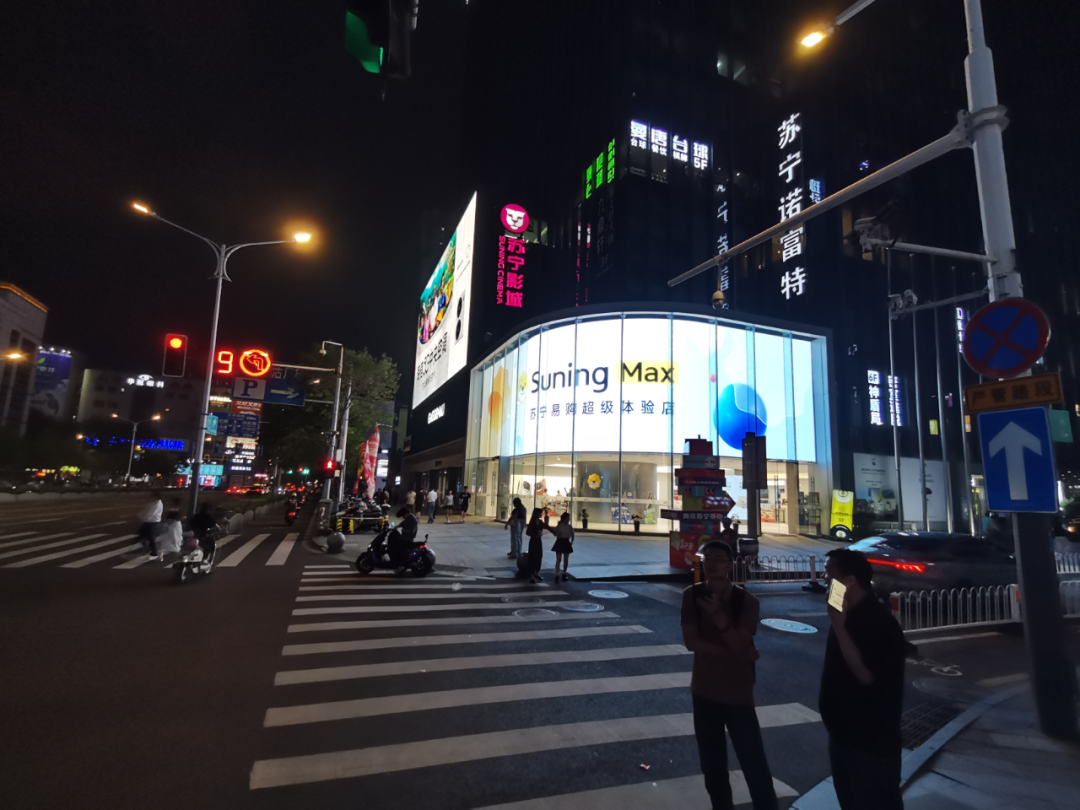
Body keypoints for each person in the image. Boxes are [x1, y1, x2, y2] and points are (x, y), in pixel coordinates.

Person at [681, 540, 777, 810]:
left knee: (753, 764)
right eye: (708, 557)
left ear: (731, 565)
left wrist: (721, 620)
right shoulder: (692, 595)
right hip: (703, 691)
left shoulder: (747, 601)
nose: (712, 563)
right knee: (712, 767)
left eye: (719, 559)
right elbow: (691, 642)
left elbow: (740, 642)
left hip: (738, 694)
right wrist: (739, 652)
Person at [819, 548, 907, 810]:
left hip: (869, 743)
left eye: (829, 573)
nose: (824, 578)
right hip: (842, 736)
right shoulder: (844, 610)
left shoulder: (878, 622)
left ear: (850, 581)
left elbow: (866, 676)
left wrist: (838, 624)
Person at [546, 511, 574, 581]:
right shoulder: (563, 526)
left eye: (568, 518)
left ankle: (562, 573)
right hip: (563, 541)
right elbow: (557, 534)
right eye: (567, 518)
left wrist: (571, 542)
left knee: (564, 559)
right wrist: (571, 542)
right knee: (560, 559)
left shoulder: (568, 526)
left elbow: (572, 535)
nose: (568, 519)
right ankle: (559, 573)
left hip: (562, 541)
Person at [136, 491, 163, 561]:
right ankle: (149, 548)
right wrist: (140, 515)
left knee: (151, 538)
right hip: (148, 522)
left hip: (152, 523)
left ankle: (154, 553)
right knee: (143, 535)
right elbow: (146, 511)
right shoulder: (153, 503)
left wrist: (142, 518)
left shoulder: (157, 504)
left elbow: (150, 514)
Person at [525, 507, 546, 583]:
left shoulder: (539, 521)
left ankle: (537, 573)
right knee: (532, 557)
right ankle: (531, 575)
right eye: (540, 513)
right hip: (533, 541)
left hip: (538, 540)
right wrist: (536, 534)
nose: (541, 514)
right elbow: (528, 532)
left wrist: (554, 531)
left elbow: (546, 526)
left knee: (539, 556)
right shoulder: (532, 522)